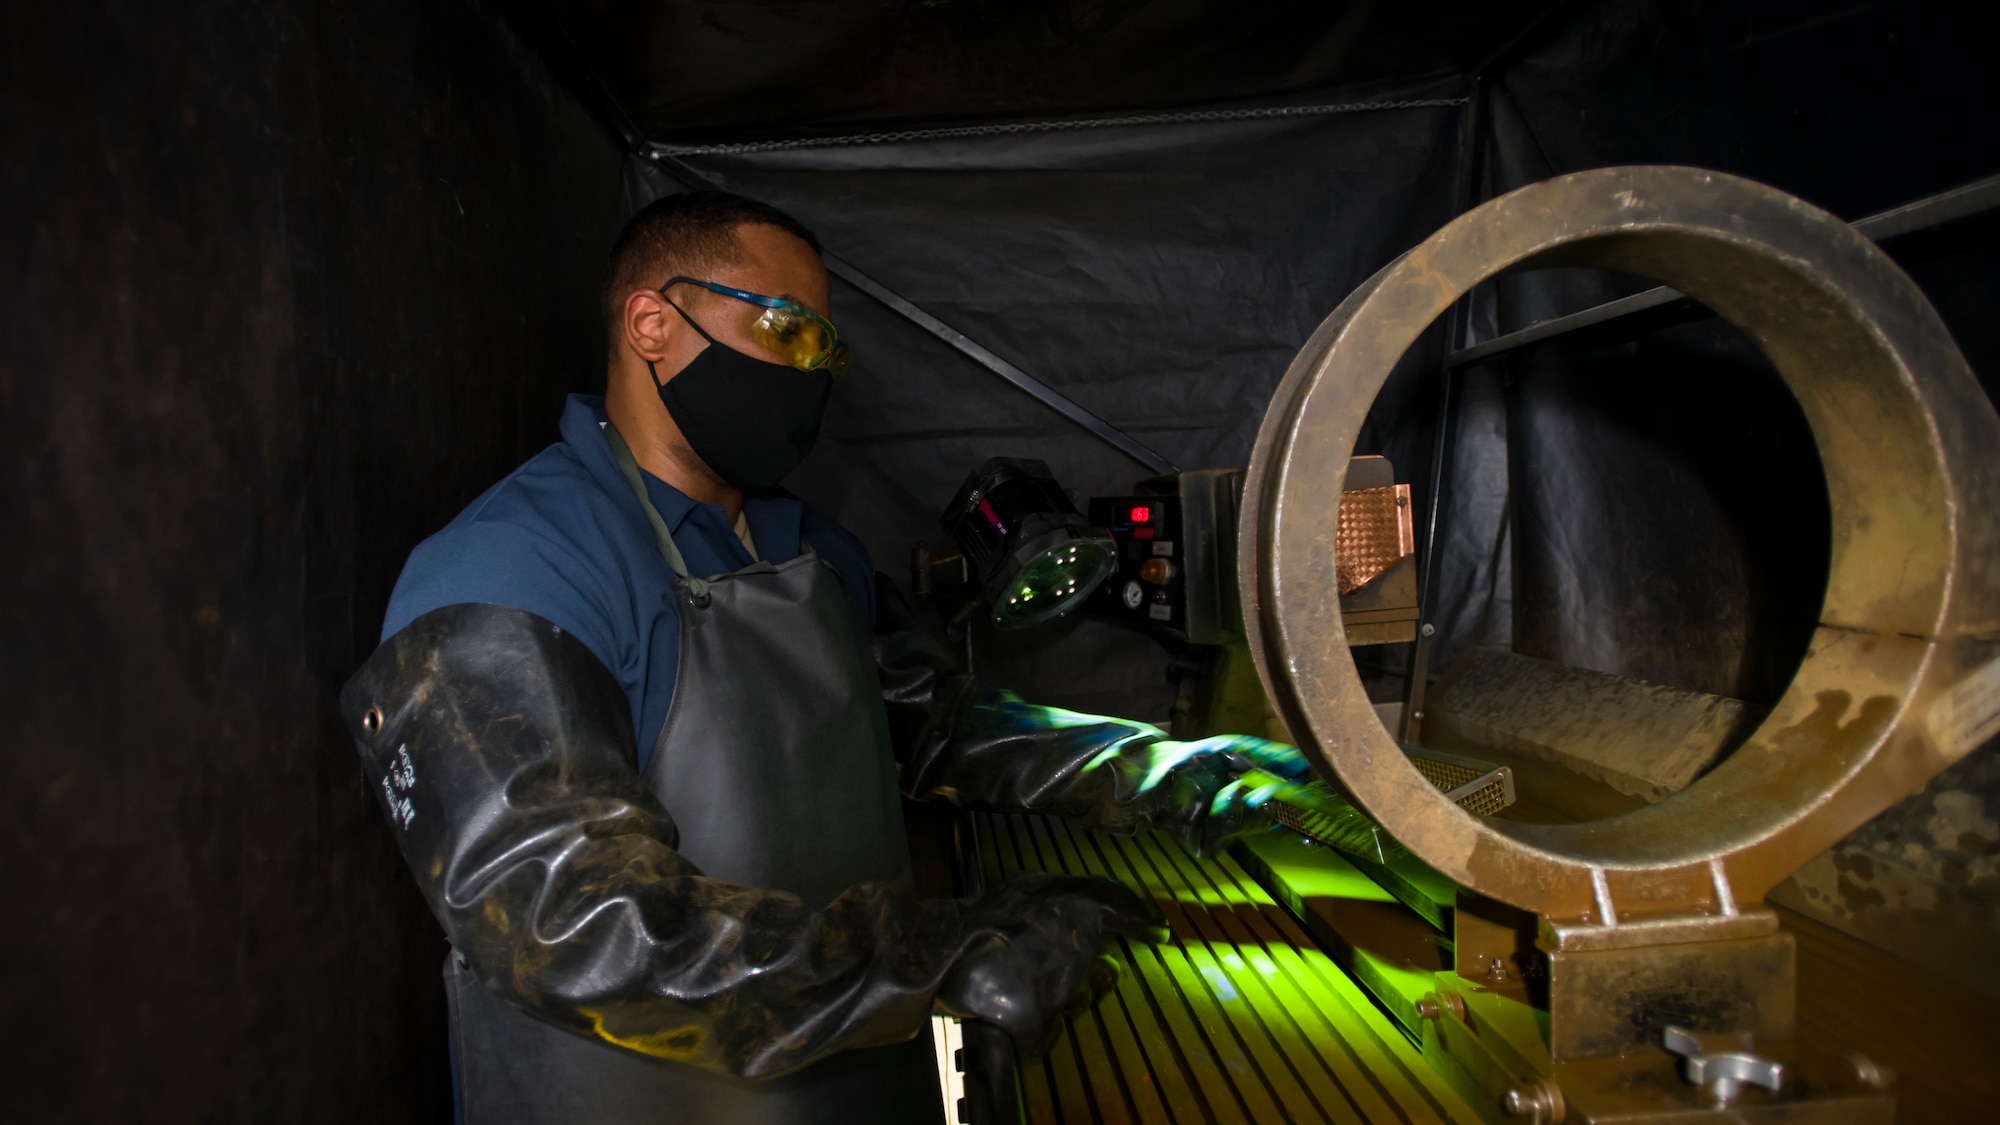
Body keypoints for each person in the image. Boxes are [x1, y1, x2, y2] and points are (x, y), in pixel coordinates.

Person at [341, 190, 1309, 1125]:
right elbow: (565, 919)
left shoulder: (809, 548)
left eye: (827, 346)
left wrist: (1171, 771)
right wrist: (933, 958)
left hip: (858, 1080)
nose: (815, 371)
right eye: (786, 332)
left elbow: (933, 725)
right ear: (651, 324)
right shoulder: (509, 569)